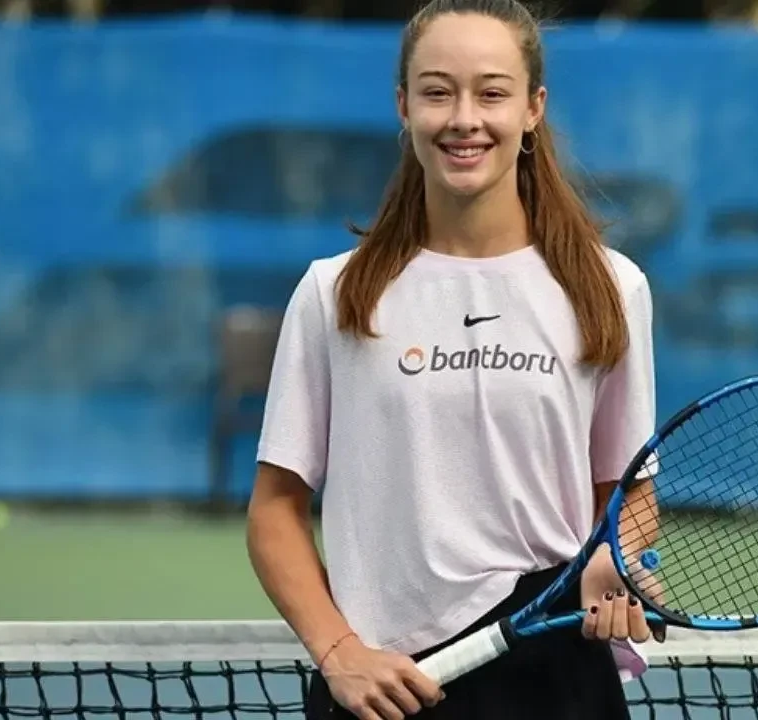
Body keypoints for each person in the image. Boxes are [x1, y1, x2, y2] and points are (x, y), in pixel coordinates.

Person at [245, 1, 661, 718]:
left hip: (557, 678)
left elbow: (628, 491)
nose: (465, 119)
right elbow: (275, 510)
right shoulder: (333, 293)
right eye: (438, 92)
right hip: (383, 688)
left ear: (533, 109)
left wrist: (610, 557)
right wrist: (340, 653)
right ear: (404, 107)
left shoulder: (611, 287)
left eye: (492, 93)